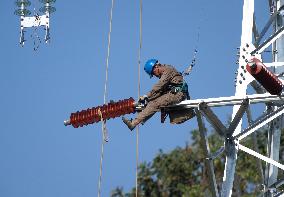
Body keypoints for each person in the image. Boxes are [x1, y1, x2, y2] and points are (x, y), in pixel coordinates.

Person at [122, 59, 195, 131]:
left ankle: (134, 123)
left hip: (178, 93)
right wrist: (145, 100)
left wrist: (146, 96)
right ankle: (138, 110)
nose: (154, 75)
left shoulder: (168, 70)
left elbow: (159, 86)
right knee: (150, 101)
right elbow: (159, 91)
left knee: (154, 103)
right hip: (173, 93)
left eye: (153, 73)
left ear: (156, 67)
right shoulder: (165, 71)